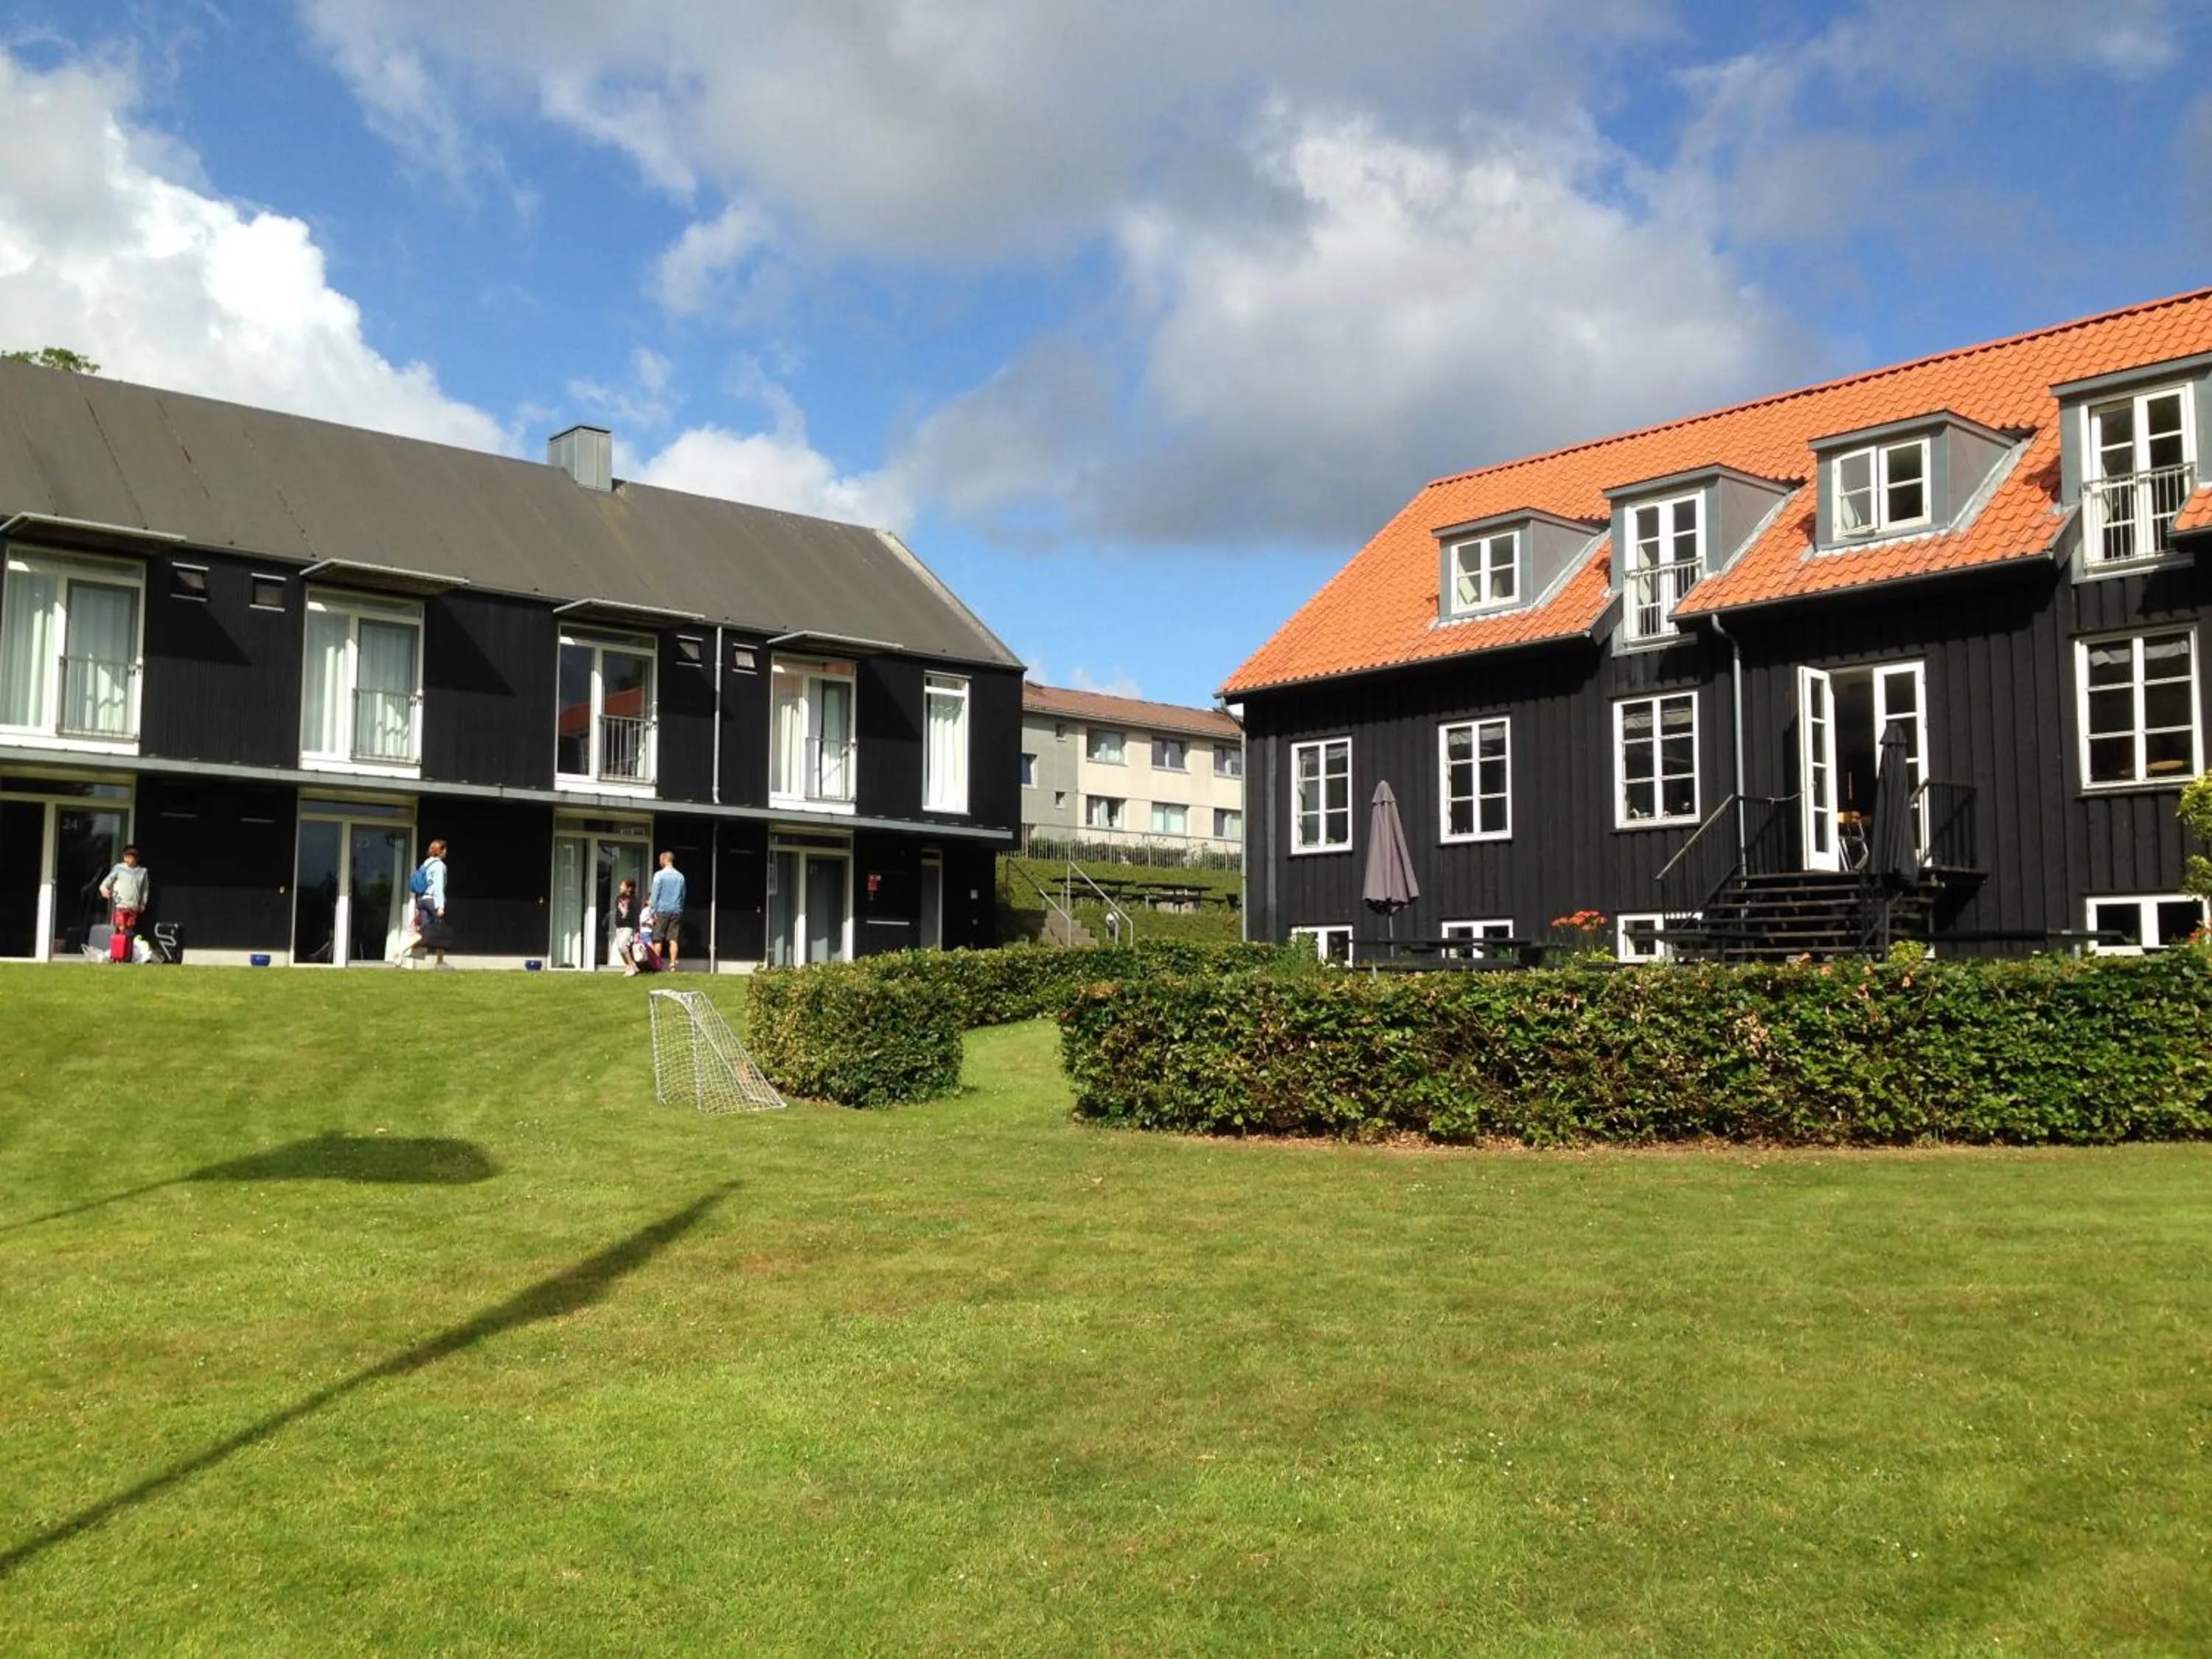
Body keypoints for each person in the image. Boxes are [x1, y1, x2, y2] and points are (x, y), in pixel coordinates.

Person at [98, 845, 151, 964]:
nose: (127, 860)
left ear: (136, 858)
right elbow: (107, 882)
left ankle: (127, 956)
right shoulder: (119, 868)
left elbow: (145, 890)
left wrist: (143, 903)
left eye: (129, 857)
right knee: (121, 929)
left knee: (129, 931)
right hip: (121, 905)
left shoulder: (142, 872)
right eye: (125, 857)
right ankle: (117, 956)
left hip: (133, 907)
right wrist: (104, 890)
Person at [414, 838, 451, 970]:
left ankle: (411, 957)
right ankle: (440, 963)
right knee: (441, 930)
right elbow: (439, 887)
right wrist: (440, 906)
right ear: (440, 851)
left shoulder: (426, 864)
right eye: (445, 849)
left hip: (423, 899)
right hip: (434, 900)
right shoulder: (439, 865)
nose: (446, 852)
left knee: (424, 930)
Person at [647, 850, 687, 970]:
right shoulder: (680, 876)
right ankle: (673, 964)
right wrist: (680, 909)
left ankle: (656, 964)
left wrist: (652, 910)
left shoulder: (659, 875)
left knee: (657, 938)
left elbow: (655, 895)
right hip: (676, 910)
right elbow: (683, 895)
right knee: (673, 939)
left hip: (661, 910)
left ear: (665, 860)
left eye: (660, 859)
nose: (659, 862)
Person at [611, 876, 641, 976]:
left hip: (628, 926)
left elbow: (637, 914)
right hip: (619, 925)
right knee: (620, 948)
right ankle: (630, 965)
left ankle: (631, 967)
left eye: (622, 885)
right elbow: (618, 912)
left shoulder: (633, 900)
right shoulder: (619, 898)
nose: (620, 887)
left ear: (629, 888)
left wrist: (637, 930)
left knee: (623, 946)